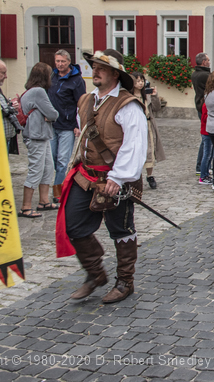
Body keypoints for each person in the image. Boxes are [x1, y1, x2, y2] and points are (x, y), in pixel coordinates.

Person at [56, 49, 147, 304]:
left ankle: (125, 282)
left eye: (101, 68)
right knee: (73, 225)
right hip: (86, 176)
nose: (94, 71)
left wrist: (117, 179)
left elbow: (135, 145)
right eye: (93, 66)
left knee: (121, 230)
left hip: (115, 179)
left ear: (115, 74)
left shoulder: (128, 105)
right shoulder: (86, 100)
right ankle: (96, 274)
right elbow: (84, 135)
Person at [19, 62, 59, 218]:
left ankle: (44, 201)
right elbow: (53, 114)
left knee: (48, 168)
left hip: (42, 135)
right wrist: (48, 116)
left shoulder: (30, 91)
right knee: (36, 170)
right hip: (36, 136)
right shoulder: (38, 92)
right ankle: (26, 206)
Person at [48, 50, 86, 203]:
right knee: (52, 159)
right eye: (57, 61)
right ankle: (59, 184)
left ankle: (58, 192)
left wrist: (78, 125)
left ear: (69, 61)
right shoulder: (52, 76)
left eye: (63, 61)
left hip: (68, 126)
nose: (60, 64)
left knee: (63, 161)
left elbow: (81, 104)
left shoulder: (77, 80)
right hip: (51, 125)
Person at [130, 73, 166, 189]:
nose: (140, 83)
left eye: (142, 81)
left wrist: (155, 96)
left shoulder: (147, 95)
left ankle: (150, 175)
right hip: (135, 127)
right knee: (136, 151)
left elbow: (156, 108)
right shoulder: (129, 96)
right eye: (138, 81)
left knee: (149, 150)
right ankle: (135, 176)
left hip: (148, 125)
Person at [0, 58, 22, 154]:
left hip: (4, 139)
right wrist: (8, 109)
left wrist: (11, 106)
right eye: (3, 73)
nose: (6, 76)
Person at [199, 103, 213, 184]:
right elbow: (204, 118)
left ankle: (206, 174)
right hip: (206, 133)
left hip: (210, 132)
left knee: (210, 155)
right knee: (207, 155)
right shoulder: (206, 105)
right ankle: (203, 176)